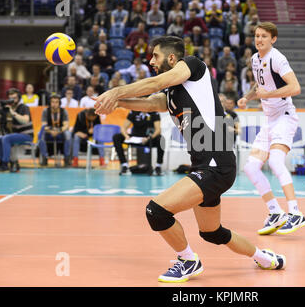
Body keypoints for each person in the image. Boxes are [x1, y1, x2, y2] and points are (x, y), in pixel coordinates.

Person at [93, 36, 286, 283]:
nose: (151, 61)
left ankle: (188, 260)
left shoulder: (193, 67)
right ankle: (265, 258)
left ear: (172, 58)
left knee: (156, 211)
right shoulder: (175, 92)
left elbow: (157, 82)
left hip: (215, 162)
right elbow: (152, 103)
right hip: (207, 164)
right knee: (212, 232)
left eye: (156, 56)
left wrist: (116, 90)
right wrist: (115, 102)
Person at [237, 22, 305, 236]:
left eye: (264, 36)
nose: (259, 39)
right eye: (257, 36)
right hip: (269, 120)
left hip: (284, 117)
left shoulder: (277, 58)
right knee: (250, 167)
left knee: (276, 161)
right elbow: (260, 85)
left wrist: (267, 96)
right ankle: (275, 212)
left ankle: (295, 213)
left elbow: (295, 87)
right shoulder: (255, 59)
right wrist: (247, 97)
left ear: (273, 39)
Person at [0, 88, 34, 172]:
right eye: (10, 98)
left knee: (6, 138)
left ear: (19, 98)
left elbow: (25, 120)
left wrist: (12, 113)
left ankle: (5, 164)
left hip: (27, 135)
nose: (12, 100)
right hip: (16, 134)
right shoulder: (7, 109)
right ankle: (0, 162)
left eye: (14, 98)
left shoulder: (23, 107)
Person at [112, 109, 165, 176]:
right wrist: (126, 136)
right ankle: (124, 165)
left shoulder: (154, 113)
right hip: (135, 138)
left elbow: (158, 130)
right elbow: (123, 128)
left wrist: (149, 138)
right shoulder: (134, 112)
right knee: (116, 137)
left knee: (161, 139)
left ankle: (158, 166)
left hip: (147, 139)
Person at [38, 94, 72, 167]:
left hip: (60, 132)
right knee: (40, 134)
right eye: (52, 102)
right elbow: (44, 125)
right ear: (50, 103)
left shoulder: (63, 111)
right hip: (49, 132)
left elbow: (66, 125)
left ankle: (67, 158)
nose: (54, 104)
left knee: (68, 134)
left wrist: (58, 131)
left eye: (56, 102)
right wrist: (51, 131)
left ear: (59, 103)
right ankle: (44, 157)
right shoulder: (46, 111)